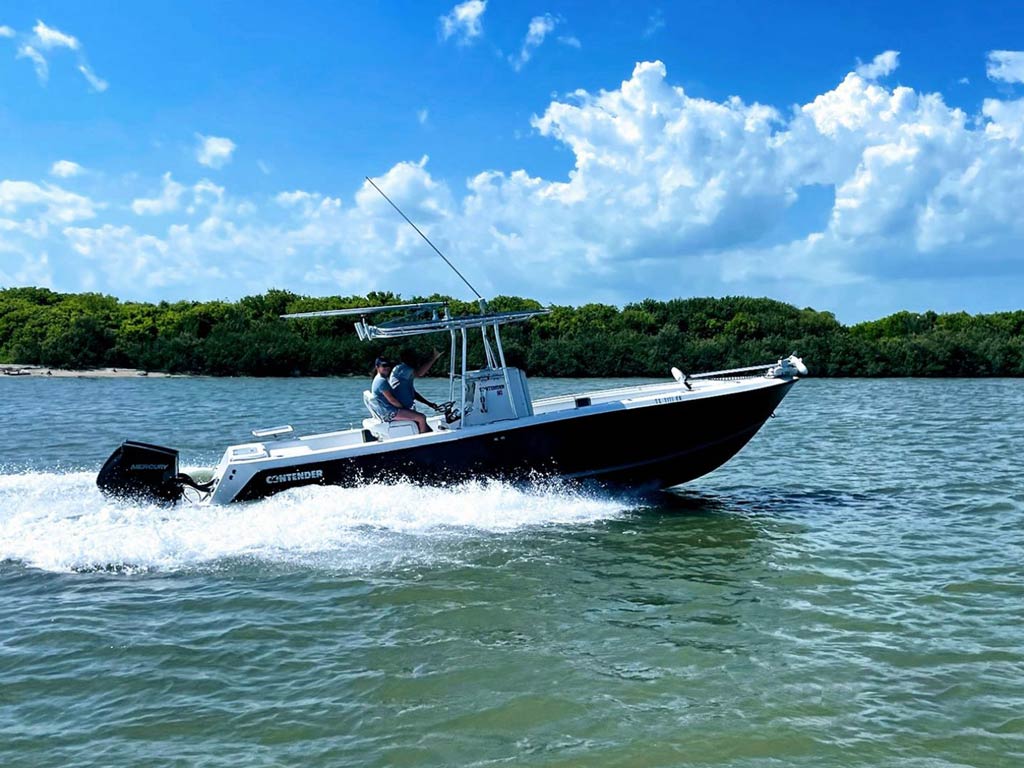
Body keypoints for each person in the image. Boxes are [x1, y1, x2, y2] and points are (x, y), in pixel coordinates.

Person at [369, 357, 431, 433]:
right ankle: (423, 440)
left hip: (387, 412)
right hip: (390, 413)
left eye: (388, 365)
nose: (387, 368)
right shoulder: (381, 381)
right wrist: (404, 409)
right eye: (384, 365)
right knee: (421, 418)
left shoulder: (379, 379)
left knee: (417, 416)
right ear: (377, 367)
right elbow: (392, 400)